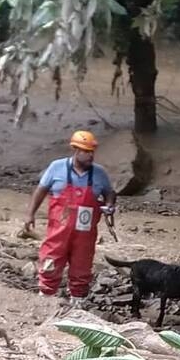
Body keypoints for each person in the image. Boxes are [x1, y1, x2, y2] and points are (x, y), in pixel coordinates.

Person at [24, 130, 116, 306]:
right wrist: (30, 214)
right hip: (58, 231)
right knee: (51, 260)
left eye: (92, 152)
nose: (90, 156)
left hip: (85, 233)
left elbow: (109, 193)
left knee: (82, 265)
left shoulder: (99, 173)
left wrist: (109, 206)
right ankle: (45, 299)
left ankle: (78, 302)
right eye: (86, 152)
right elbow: (40, 191)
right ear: (76, 150)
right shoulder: (56, 168)